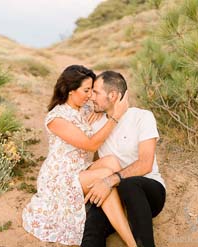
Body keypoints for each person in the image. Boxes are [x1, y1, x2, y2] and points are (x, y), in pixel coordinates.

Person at [22, 65, 137, 247]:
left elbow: (103, 104)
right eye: (86, 90)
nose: (91, 95)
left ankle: (123, 215)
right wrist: (116, 116)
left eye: (92, 90)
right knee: (104, 175)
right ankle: (132, 242)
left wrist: (117, 101)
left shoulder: (83, 109)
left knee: (112, 162)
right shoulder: (57, 118)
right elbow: (91, 144)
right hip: (61, 176)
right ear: (70, 90)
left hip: (79, 168)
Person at [81, 71, 166, 247]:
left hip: (147, 192)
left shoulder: (141, 117)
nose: (91, 97)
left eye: (96, 92)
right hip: (112, 194)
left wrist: (110, 180)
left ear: (112, 96)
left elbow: (145, 164)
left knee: (129, 184)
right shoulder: (96, 121)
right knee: (92, 228)